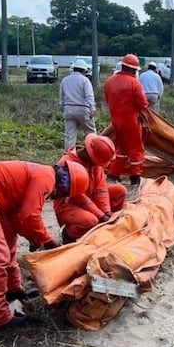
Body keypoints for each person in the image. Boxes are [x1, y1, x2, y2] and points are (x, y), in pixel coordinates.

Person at [0, 160, 89, 331]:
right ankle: (0, 318)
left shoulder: (42, 175)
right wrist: (49, 242)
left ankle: (14, 291)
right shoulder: (46, 178)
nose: (56, 197)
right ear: (65, 185)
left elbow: (20, 218)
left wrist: (34, 238)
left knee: (9, 243)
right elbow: (31, 216)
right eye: (62, 194)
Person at [54, 134, 127, 242]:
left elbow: (100, 189)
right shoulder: (66, 165)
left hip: (89, 198)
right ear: (90, 155)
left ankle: (103, 228)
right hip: (69, 204)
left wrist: (106, 212)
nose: (98, 165)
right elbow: (79, 197)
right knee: (90, 221)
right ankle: (67, 234)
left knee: (120, 191)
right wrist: (100, 215)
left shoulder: (94, 163)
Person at [104, 53, 149, 198]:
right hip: (131, 121)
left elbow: (107, 100)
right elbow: (142, 103)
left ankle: (113, 174)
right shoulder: (134, 83)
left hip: (116, 121)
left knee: (122, 149)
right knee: (136, 149)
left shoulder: (109, 81)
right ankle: (135, 177)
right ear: (132, 69)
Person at [59, 59, 97, 150]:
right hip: (83, 109)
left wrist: (63, 106)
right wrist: (92, 109)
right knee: (91, 133)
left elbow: (61, 96)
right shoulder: (85, 80)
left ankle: (68, 154)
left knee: (70, 135)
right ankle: (93, 151)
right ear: (84, 70)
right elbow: (89, 96)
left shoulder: (65, 80)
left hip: (68, 108)